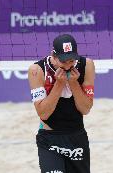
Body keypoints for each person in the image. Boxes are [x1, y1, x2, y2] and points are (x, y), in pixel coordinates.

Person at [28, 34, 95, 173]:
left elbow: (85, 109)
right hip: (49, 138)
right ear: (53, 55)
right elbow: (43, 114)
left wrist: (73, 83)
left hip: (77, 136)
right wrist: (59, 84)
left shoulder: (86, 65)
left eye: (71, 61)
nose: (67, 65)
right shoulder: (37, 70)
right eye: (63, 61)